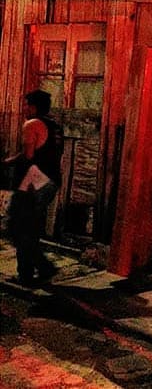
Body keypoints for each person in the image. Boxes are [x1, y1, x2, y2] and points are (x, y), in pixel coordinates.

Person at [3, 89, 63, 287]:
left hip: (34, 180)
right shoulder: (54, 126)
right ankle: (32, 272)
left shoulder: (32, 125)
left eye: (27, 104)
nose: (24, 108)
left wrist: (7, 162)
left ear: (35, 107)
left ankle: (38, 269)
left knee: (16, 226)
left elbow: (28, 156)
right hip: (51, 180)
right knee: (28, 227)